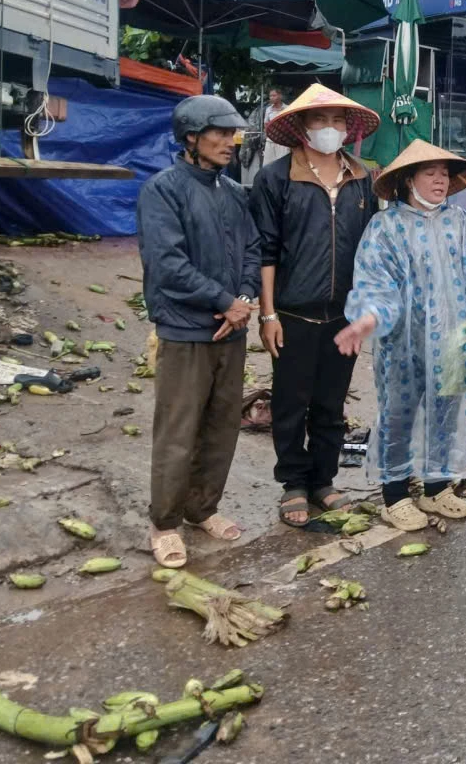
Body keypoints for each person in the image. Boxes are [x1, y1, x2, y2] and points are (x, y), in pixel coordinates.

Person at [335, 140, 466, 530]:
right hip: (402, 343)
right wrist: (368, 318)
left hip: (454, 340)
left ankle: (435, 488)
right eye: (430, 173)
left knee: (445, 416)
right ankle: (395, 496)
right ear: (408, 180)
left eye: (444, 174)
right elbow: (375, 282)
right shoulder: (385, 227)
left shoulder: (461, 222)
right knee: (399, 417)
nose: (440, 181)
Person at [136, 95, 261, 568]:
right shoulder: (162, 191)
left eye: (233, 134)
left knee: (221, 426)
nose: (231, 142)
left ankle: (202, 508)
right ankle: (164, 523)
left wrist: (243, 298)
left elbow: (252, 250)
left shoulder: (233, 193)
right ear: (191, 137)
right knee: (178, 430)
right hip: (185, 329)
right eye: (220, 133)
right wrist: (224, 301)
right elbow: (167, 264)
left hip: (231, 330)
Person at [249, 84, 380, 527]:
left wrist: (366, 311)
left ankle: (323, 480)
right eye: (320, 120)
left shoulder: (362, 179)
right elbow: (266, 250)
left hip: (344, 315)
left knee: (331, 402)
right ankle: (293, 483)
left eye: (337, 120)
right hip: (293, 313)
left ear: (347, 129)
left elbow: (371, 251)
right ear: (302, 127)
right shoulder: (276, 178)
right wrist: (267, 314)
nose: (329, 128)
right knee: (291, 402)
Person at [260, 89, 291, 168]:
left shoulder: (287, 108)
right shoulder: (268, 110)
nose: (271, 98)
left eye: (274, 95)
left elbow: (290, 124)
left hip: (283, 142)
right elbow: (266, 124)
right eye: (270, 96)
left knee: (282, 164)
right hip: (270, 141)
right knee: (268, 165)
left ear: (280, 96)